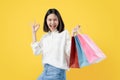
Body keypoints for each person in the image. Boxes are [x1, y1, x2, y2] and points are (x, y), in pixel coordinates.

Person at [31, 8, 80, 80]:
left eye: (55, 20)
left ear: (59, 21)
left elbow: (70, 51)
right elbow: (36, 52)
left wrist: (73, 36)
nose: (52, 22)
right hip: (45, 71)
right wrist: (34, 33)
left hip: (57, 72)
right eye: (50, 20)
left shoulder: (64, 34)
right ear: (46, 21)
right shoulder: (45, 37)